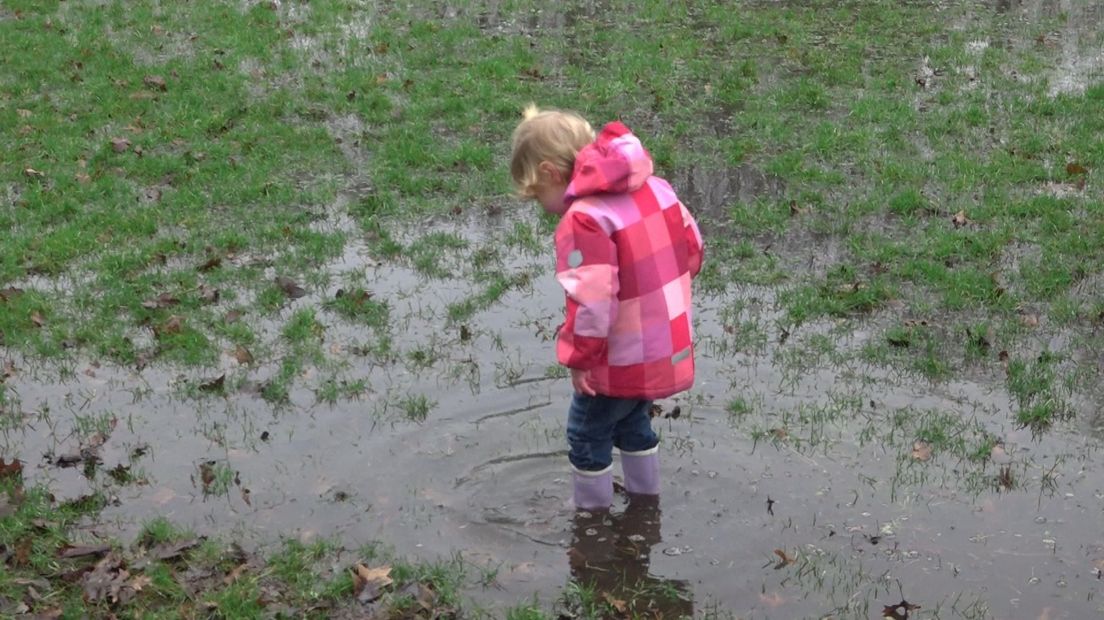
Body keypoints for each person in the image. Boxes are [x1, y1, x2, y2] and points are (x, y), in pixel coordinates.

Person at [510, 105, 704, 511]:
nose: (543, 206)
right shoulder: (655, 187)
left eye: (537, 196)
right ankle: (645, 505)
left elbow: (592, 302)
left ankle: (591, 520)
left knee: (586, 432)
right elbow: (693, 249)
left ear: (549, 173)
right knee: (633, 422)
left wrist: (580, 358)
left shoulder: (584, 219)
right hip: (663, 344)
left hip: (618, 356)